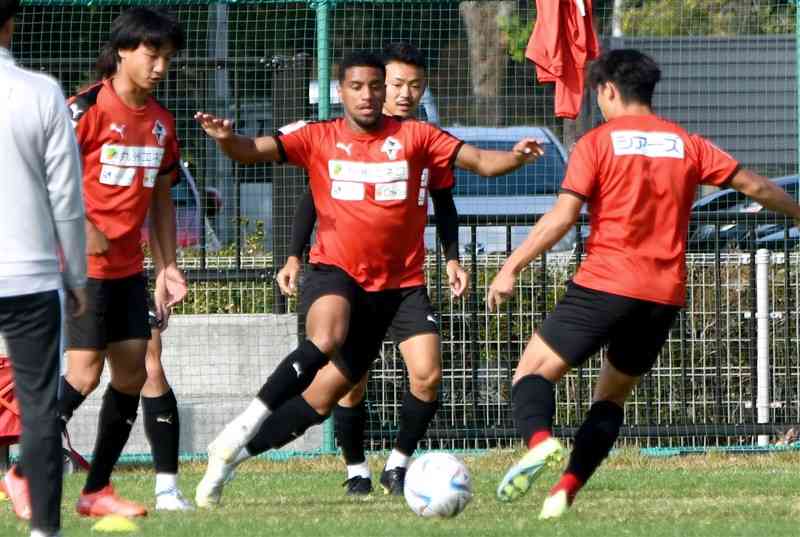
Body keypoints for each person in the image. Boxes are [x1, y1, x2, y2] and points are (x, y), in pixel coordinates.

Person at [193, 50, 543, 507]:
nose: (369, 95)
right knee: (325, 338)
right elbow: (250, 151)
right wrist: (225, 139)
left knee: (341, 397)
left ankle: (231, 460)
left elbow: (479, 161)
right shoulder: (317, 136)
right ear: (341, 92)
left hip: (400, 287)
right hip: (336, 274)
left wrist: (515, 158)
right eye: (357, 87)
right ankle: (243, 426)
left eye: (375, 86)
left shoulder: (417, 136)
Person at [486, 48, 800, 520]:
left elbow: (563, 217)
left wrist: (512, 266)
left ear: (608, 90)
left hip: (604, 284)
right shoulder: (687, 143)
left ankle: (539, 443)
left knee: (531, 375)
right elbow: (754, 187)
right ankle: (565, 490)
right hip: (662, 296)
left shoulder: (598, 142)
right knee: (610, 398)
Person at [273, 41, 466, 496]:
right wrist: (294, 255)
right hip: (348, 278)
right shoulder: (347, 137)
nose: (404, 93)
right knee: (350, 382)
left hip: (404, 281)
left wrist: (453, 257)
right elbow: (312, 197)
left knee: (427, 373)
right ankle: (356, 467)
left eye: (414, 85)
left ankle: (398, 466)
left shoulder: (424, 140)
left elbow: (444, 202)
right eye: (396, 83)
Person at [55, 7, 187, 517]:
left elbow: (159, 198)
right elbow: (43, 177)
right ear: (124, 51)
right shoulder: (83, 109)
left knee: (133, 373)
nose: (160, 66)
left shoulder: (160, 122)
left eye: (167, 58)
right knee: (84, 375)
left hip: (130, 272)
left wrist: (168, 266)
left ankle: (96, 491)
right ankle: (23, 469)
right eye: (153, 54)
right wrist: (81, 226)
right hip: (80, 269)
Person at [0, 1, 87, 535]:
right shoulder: (40, 91)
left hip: (29, 274)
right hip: (30, 274)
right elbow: (67, 197)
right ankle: (45, 530)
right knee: (38, 406)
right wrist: (76, 274)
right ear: (9, 23)